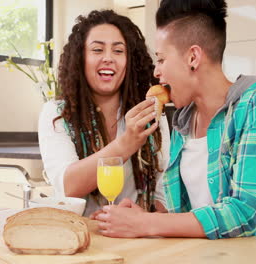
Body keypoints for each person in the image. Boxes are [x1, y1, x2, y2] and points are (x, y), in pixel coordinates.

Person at [92, 0, 256, 239]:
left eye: (162, 59)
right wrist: (142, 218)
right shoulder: (183, 121)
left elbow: (244, 212)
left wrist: (146, 223)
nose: (156, 71)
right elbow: (187, 214)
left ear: (193, 57)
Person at [38, 10, 171, 217]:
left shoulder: (151, 113)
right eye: (97, 49)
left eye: (118, 51)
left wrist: (143, 216)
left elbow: (164, 192)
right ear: (81, 59)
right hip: (80, 234)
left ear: (130, 61)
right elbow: (67, 186)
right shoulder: (56, 113)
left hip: (137, 237)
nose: (108, 58)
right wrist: (126, 143)